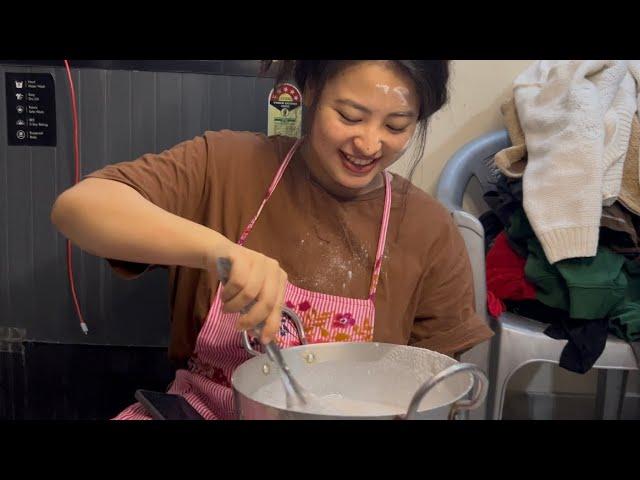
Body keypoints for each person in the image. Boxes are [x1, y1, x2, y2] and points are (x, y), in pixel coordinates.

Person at [51, 60, 493, 419]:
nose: (370, 143)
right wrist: (219, 252)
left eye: (397, 125)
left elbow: (436, 386)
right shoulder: (226, 165)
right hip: (200, 411)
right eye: (350, 116)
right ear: (312, 89)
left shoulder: (428, 230)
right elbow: (80, 207)